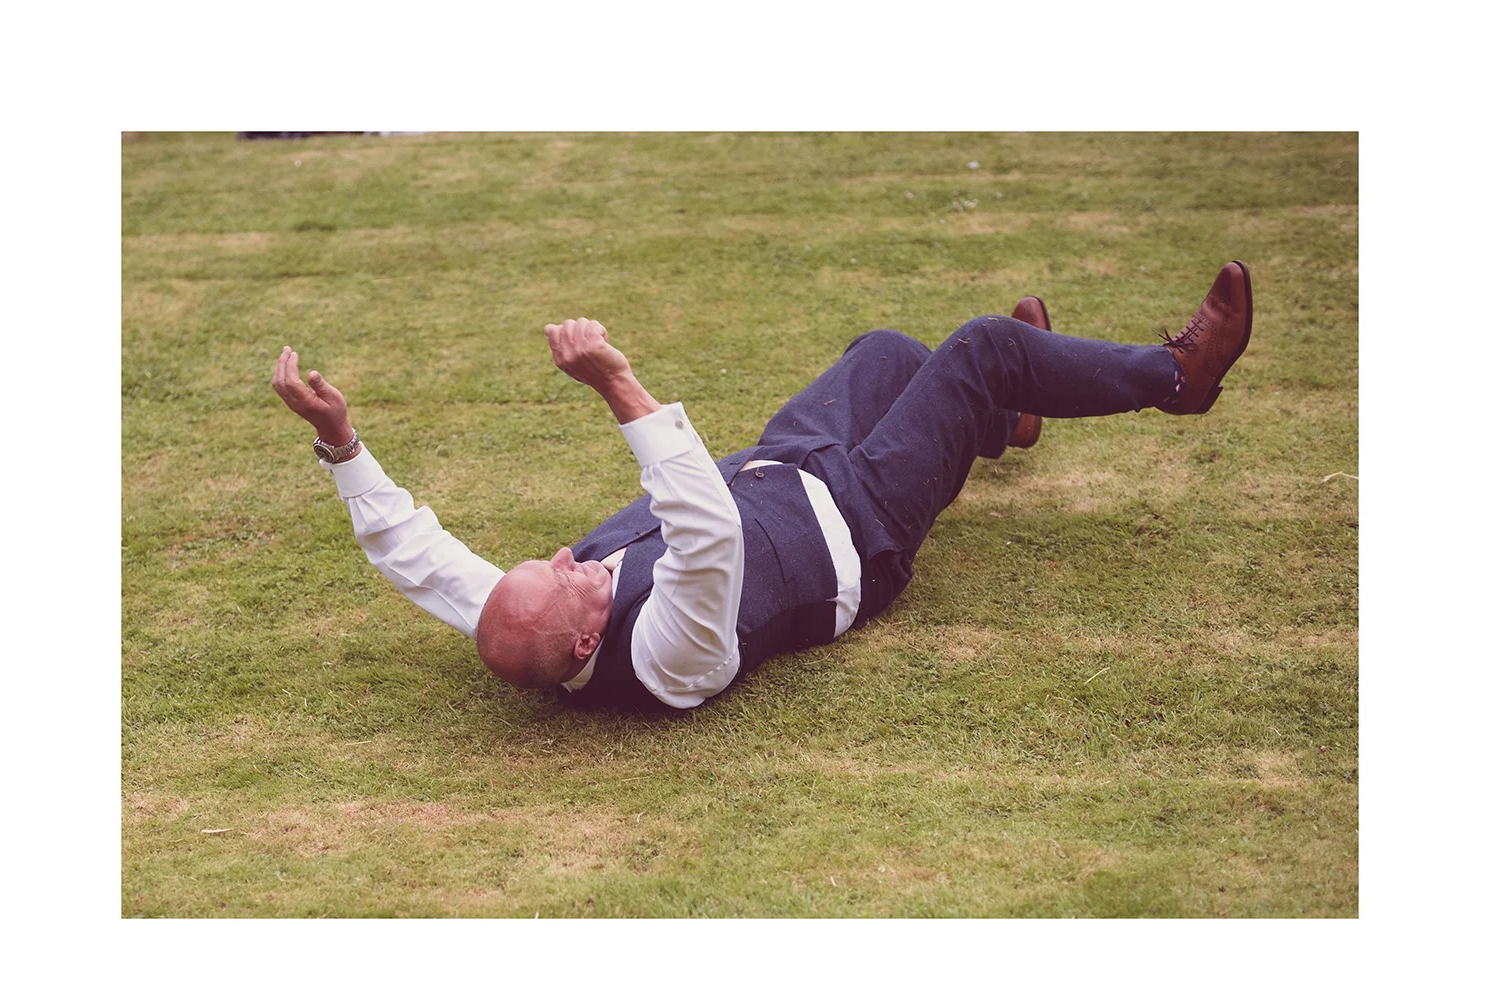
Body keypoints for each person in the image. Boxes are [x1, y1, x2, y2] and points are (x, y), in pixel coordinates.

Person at [270, 261, 1253, 712]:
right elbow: (708, 533)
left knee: (888, 351)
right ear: (584, 646)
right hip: (860, 524)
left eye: (550, 559)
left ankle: (1010, 415)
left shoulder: (533, 615)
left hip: (788, 460)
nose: (569, 555)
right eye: (567, 576)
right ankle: (1177, 379)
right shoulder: (666, 658)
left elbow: (419, 559)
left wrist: (340, 442)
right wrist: (618, 384)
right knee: (984, 347)